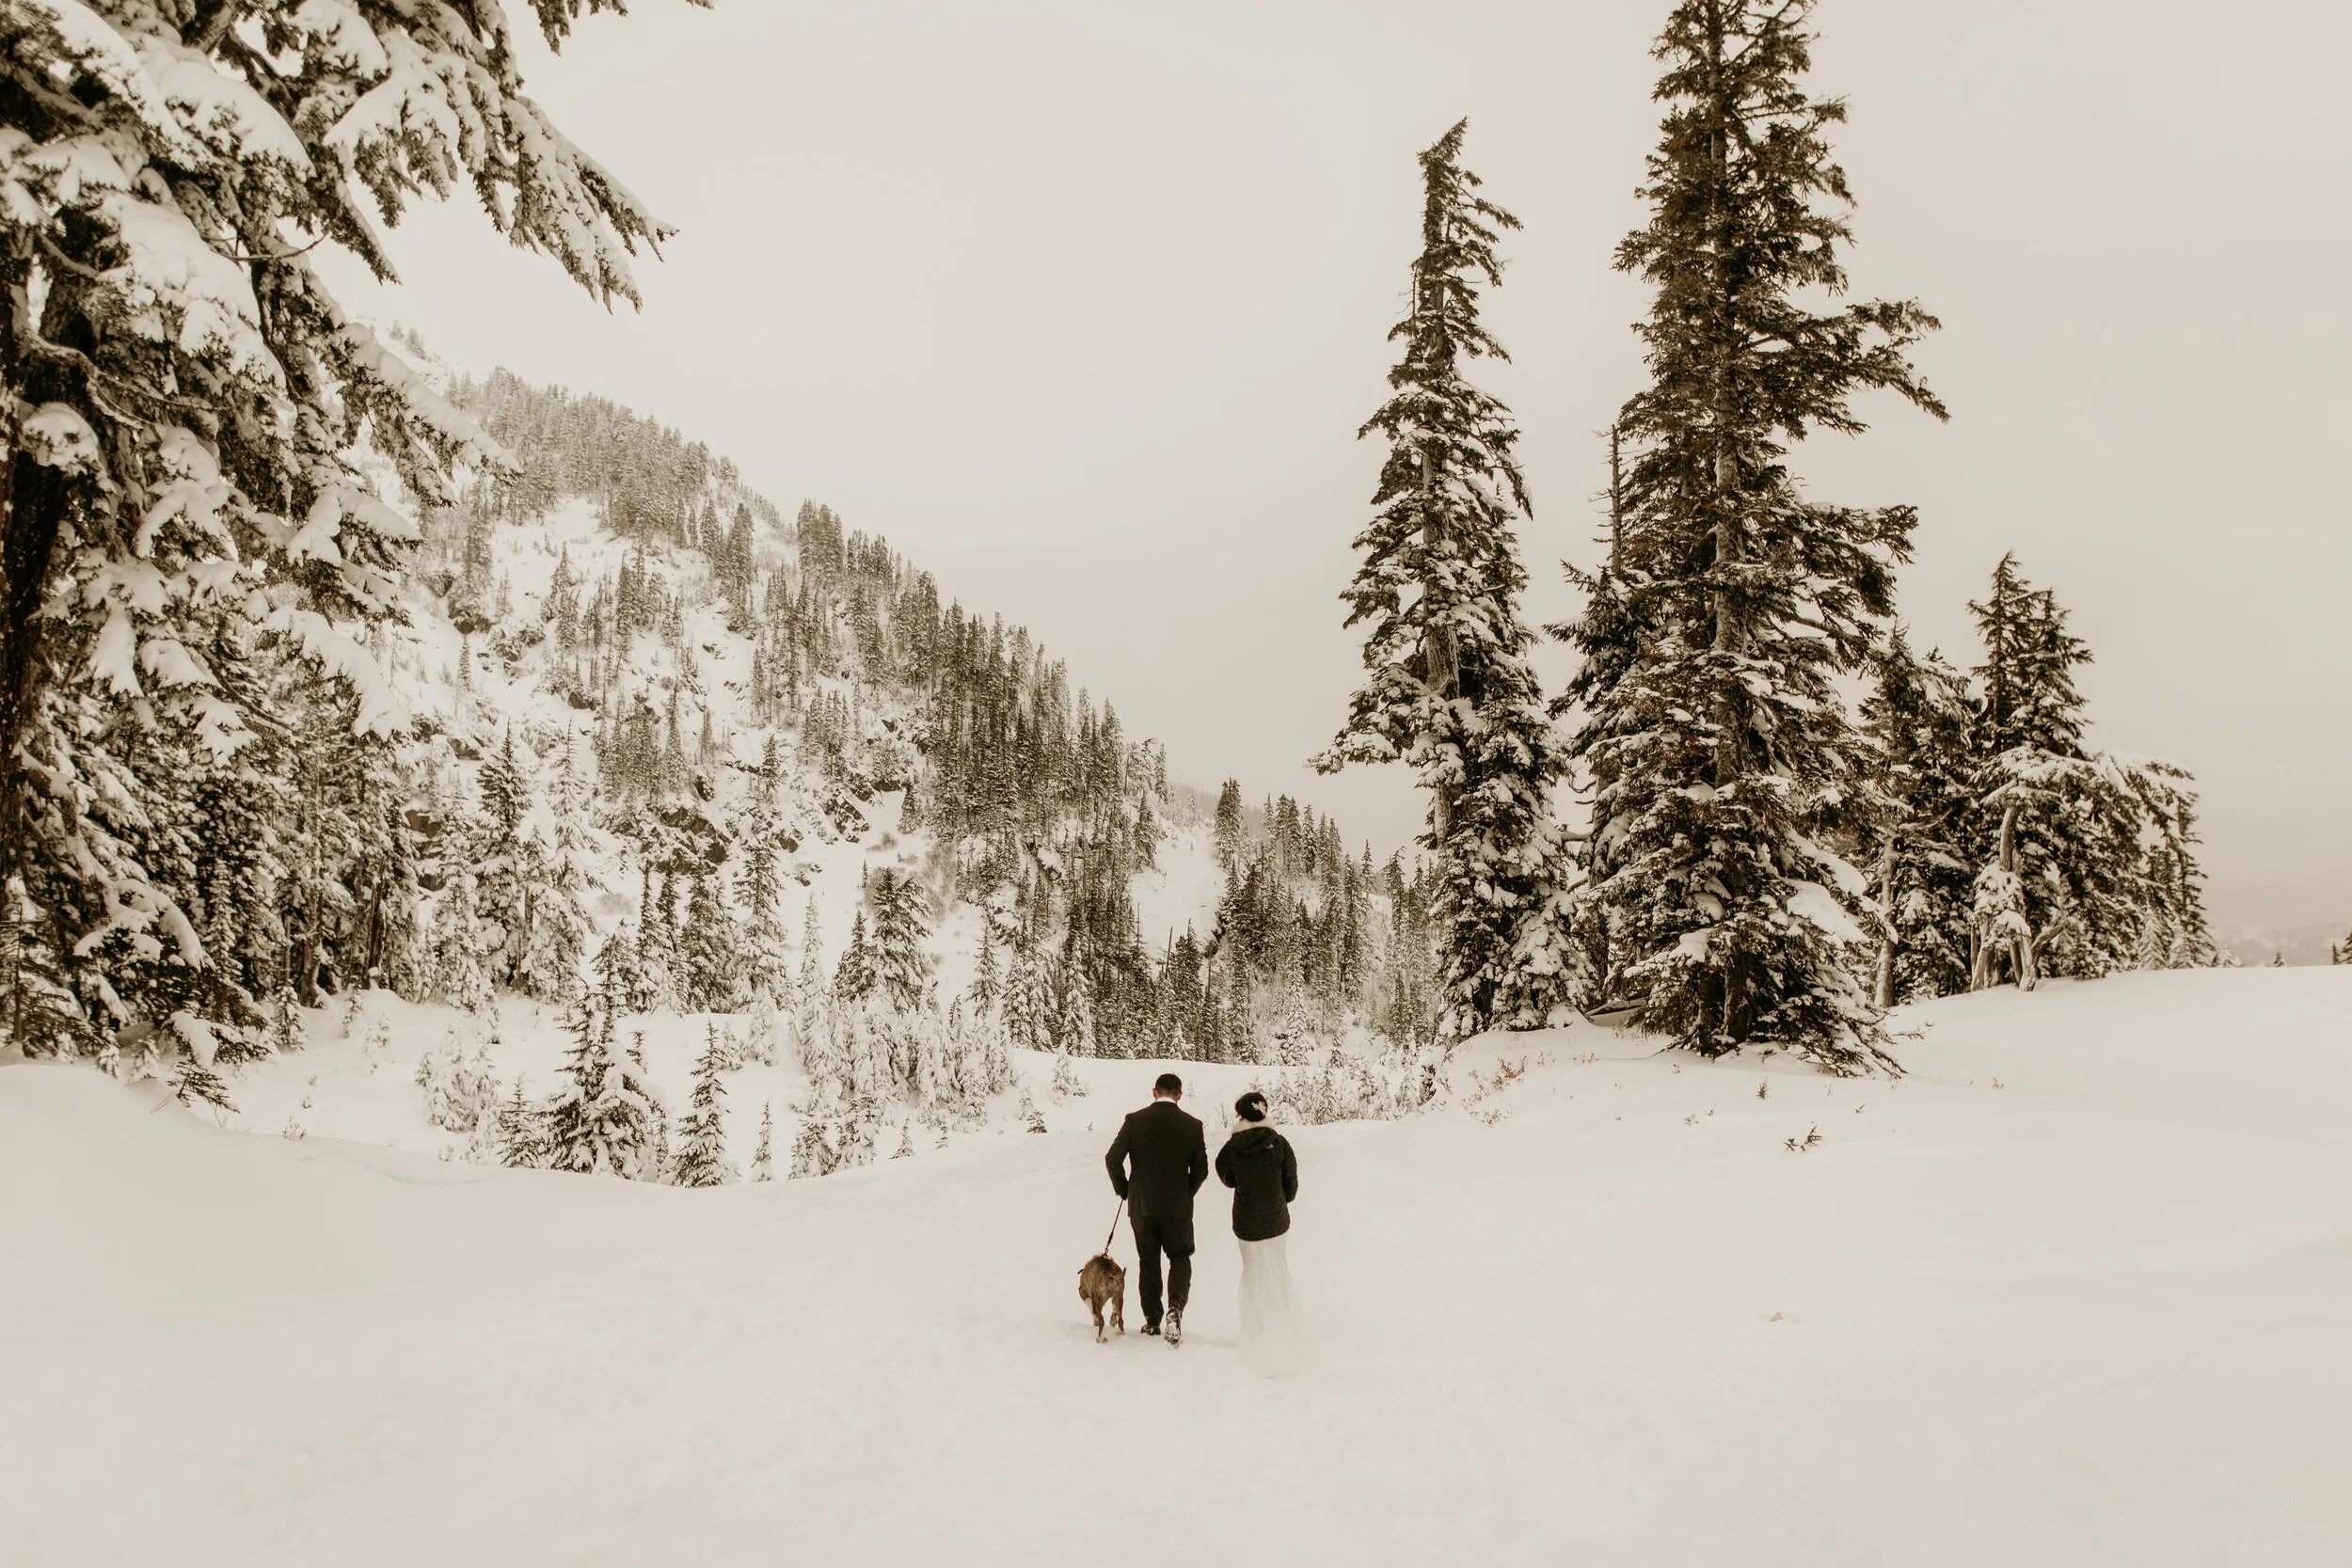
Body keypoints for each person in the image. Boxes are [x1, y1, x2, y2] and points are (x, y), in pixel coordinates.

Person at [1104, 1072, 1208, 1346]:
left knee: (1148, 1260)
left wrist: (1125, 1189)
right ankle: (1175, 1309)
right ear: (1179, 1095)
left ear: (1154, 1092)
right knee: (1180, 1257)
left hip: (1142, 1206)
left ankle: (1152, 1321)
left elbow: (1113, 1158)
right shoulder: (1192, 1125)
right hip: (1178, 1208)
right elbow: (1202, 1170)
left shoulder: (1135, 1121)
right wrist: (1187, 1192)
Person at [1216, 1091, 1314, 1377]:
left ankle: (1256, 1329)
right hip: (1278, 1222)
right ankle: (1285, 1323)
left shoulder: (1232, 1148)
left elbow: (1225, 1177)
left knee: (1253, 1273)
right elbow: (1291, 1189)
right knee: (1278, 1268)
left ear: (1241, 1115)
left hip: (1247, 1225)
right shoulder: (1280, 1144)